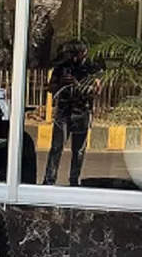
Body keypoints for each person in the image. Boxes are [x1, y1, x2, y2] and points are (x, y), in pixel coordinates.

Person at [43, 40, 102, 186]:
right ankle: (49, 180)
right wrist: (60, 83)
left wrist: (78, 84)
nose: (74, 58)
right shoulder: (63, 66)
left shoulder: (91, 68)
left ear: (84, 53)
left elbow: (96, 91)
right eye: (72, 55)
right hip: (64, 111)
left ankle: (74, 180)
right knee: (56, 147)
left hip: (82, 111)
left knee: (79, 150)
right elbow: (50, 88)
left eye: (77, 55)